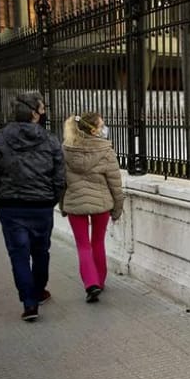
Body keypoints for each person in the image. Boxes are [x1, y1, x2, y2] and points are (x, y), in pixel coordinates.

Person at [0, 91, 65, 322]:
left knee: (18, 255)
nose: (44, 113)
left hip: (10, 207)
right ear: (33, 113)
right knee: (41, 251)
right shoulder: (50, 140)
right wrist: (52, 199)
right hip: (41, 206)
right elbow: (59, 177)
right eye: (42, 109)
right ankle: (39, 291)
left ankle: (29, 304)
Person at [60, 112, 124, 303]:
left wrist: (63, 204)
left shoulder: (66, 149)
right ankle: (100, 281)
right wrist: (118, 208)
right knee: (97, 242)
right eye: (102, 125)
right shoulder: (105, 150)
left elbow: (61, 181)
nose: (104, 128)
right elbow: (115, 182)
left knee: (83, 245)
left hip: (75, 203)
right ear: (94, 129)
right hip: (101, 203)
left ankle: (90, 283)